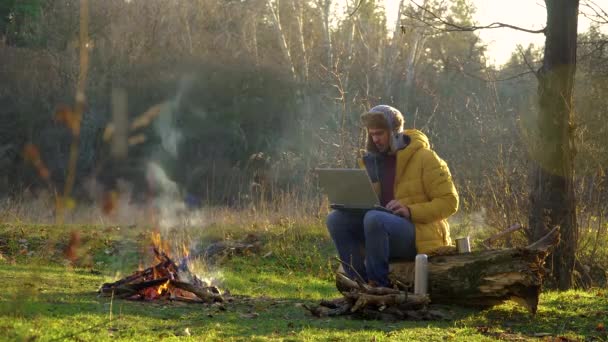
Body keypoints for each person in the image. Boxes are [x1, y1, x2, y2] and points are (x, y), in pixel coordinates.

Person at [326, 105, 459, 287]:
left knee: (375, 218)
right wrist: (348, 203)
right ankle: (357, 284)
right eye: (372, 134)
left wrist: (409, 210)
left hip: (418, 234)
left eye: (379, 133)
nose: (375, 139)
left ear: (395, 132)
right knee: (336, 219)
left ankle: (379, 286)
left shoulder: (426, 158)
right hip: (378, 232)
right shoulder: (371, 162)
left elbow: (450, 202)